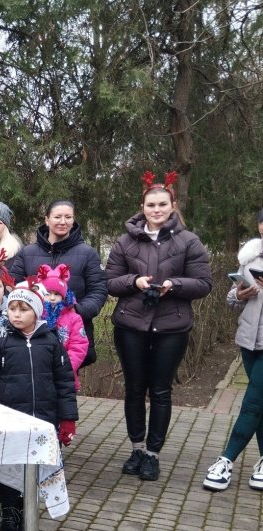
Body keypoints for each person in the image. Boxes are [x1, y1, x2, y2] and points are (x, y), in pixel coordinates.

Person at [105, 171, 212, 482]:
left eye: (162, 204)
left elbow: (203, 283)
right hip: (131, 325)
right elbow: (110, 281)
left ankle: (153, 454)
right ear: (142, 207)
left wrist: (174, 285)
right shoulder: (125, 241)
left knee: (161, 390)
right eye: (151, 205)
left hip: (171, 326)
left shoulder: (189, 241)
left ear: (172, 206)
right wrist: (133, 281)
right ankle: (136, 448)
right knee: (134, 389)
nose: (156, 210)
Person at [0, 283, 78, 531]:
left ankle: (29, 510)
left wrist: (67, 419)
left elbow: (65, 382)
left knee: (35, 467)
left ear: (37, 312)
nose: (17, 314)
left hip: (43, 420)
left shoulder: (51, 342)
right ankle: (11, 514)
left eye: (23, 309)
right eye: (12, 308)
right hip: (10, 421)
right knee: (11, 466)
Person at [203, 209, 263, 491]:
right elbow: (232, 299)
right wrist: (240, 293)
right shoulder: (250, 257)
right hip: (249, 341)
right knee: (260, 402)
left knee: (252, 402)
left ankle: (226, 459)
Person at [8, 200, 108, 366]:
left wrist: (76, 311)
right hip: (31, 330)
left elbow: (98, 291)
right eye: (57, 217)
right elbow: (13, 287)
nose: (63, 222)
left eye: (68, 217)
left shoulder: (88, 253)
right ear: (47, 219)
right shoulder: (27, 253)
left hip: (71, 333)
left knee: (68, 377)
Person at [33, 264, 88, 388]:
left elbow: (79, 346)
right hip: (37, 374)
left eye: (57, 294)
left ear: (64, 296)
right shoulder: (34, 316)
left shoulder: (74, 318)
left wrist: (65, 368)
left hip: (64, 376)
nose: (52, 298)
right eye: (48, 293)